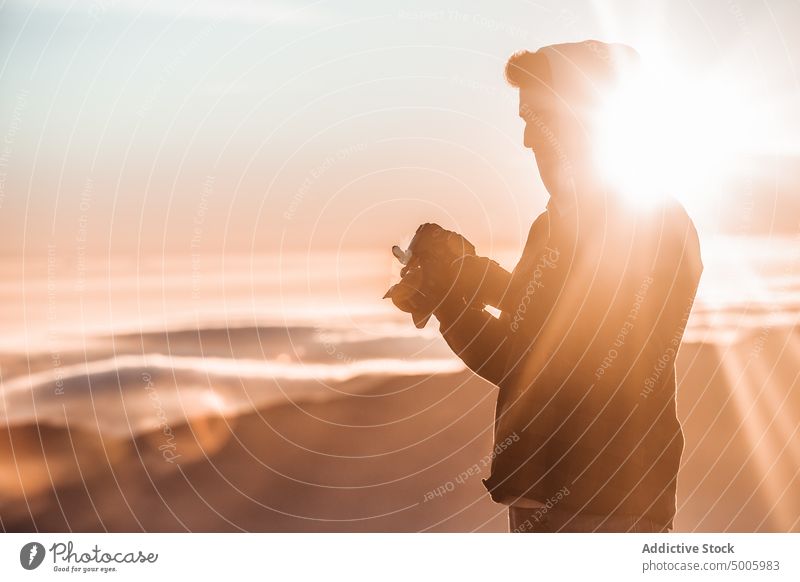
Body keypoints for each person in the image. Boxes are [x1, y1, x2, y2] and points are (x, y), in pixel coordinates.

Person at [388, 40, 703, 532]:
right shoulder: (553, 225)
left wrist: (453, 299)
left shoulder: (650, 227)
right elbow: (536, 329)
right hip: (544, 497)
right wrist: (463, 275)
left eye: (538, 117)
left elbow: (550, 365)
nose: (527, 140)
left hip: (606, 501)